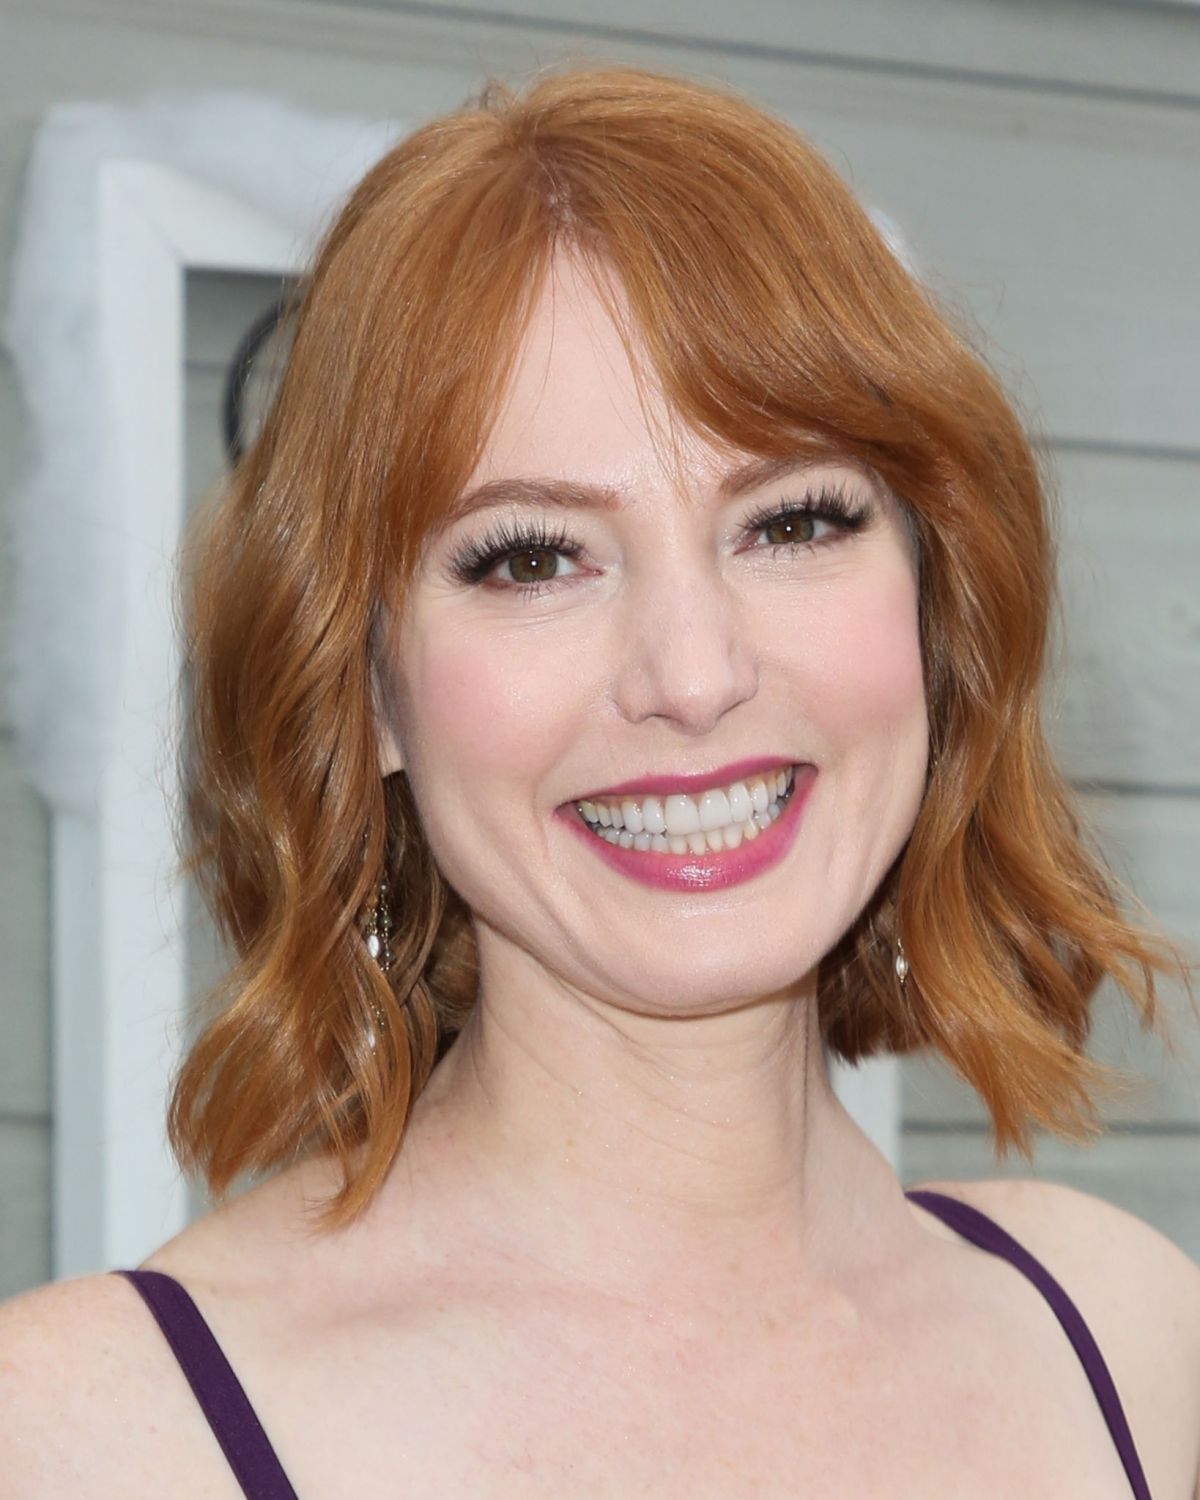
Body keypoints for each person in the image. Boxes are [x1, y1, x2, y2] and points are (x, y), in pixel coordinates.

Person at [2, 62, 1198, 1500]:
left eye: (792, 522)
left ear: (938, 612)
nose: (693, 674)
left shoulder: (1124, 1338)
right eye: (531, 557)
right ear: (364, 688)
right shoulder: (82, 1435)